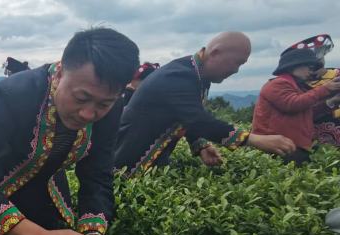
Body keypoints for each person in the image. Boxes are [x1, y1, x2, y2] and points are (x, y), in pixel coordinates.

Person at [0, 27, 139, 235]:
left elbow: (97, 174)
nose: (89, 114)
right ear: (59, 74)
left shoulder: (111, 108)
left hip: (44, 197)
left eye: (104, 103)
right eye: (81, 98)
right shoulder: (14, 95)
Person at [114, 32, 297, 177]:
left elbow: (185, 116)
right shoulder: (179, 76)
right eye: (237, 63)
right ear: (215, 53)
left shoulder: (197, 75)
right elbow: (199, 119)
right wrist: (253, 139)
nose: (235, 70)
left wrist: (199, 144)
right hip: (127, 161)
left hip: (152, 160)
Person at [251, 48, 340, 165]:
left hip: (290, 146)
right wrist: (326, 88)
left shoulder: (297, 87)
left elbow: (307, 112)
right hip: (277, 147)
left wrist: (332, 101)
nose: (311, 71)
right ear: (295, 66)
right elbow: (292, 104)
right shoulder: (278, 84)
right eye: (309, 67)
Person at [284, 35, 340, 147]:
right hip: (315, 142)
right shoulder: (295, 85)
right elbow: (297, 114)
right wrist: (332, 101)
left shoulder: (337, 75)